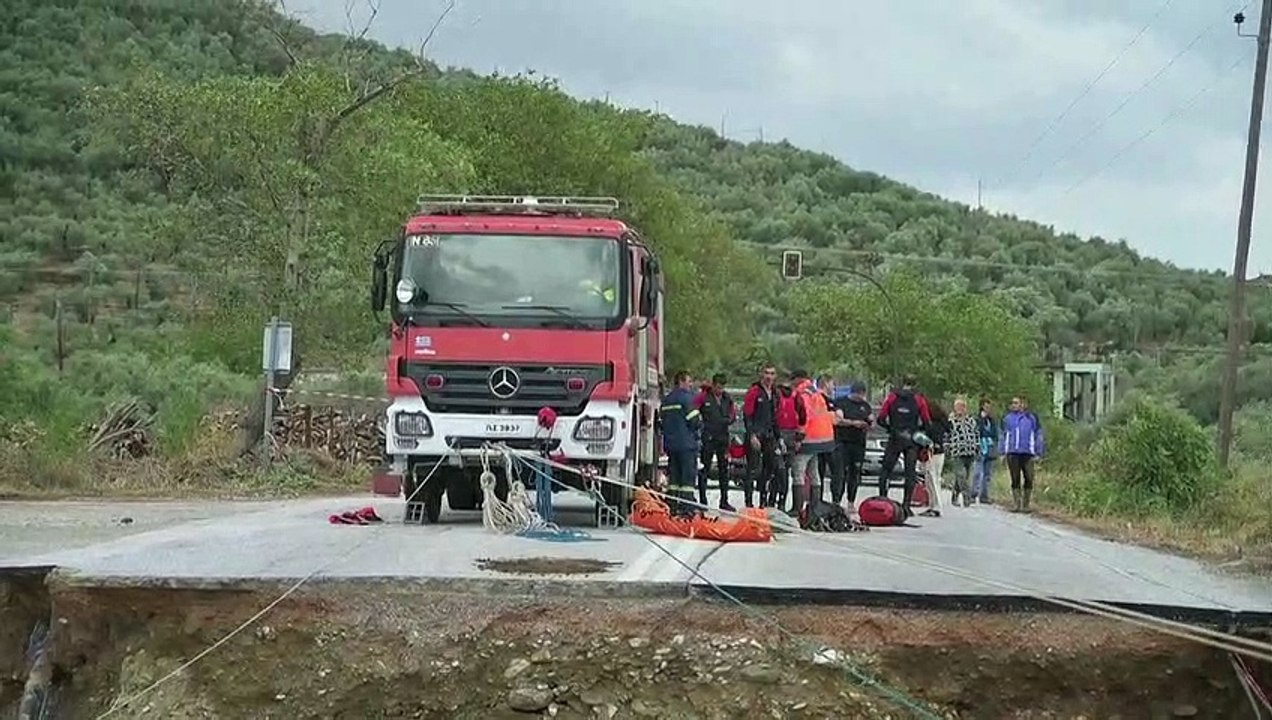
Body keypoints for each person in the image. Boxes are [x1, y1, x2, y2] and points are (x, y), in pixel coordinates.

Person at [788, 370, 838, 520]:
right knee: (813, 472)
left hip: (808, 438)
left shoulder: (803, 393)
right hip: (822, 438)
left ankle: (797, 508)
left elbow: (805, 415)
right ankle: (814, 507)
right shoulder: (815, 392)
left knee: (798, 472)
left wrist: (799, 436)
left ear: (797, 379)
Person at [876, 375, 932, 509]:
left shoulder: (892, 397)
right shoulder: (919, 399)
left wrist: (891, 428)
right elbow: (926, 421)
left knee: (886, 469)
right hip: (911, 440)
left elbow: (881, 418)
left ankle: (883, 499)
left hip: (895, 438)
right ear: (915, 384)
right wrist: (919, 432)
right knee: (910, 472)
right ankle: (906, 504)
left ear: (902, 383)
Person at [659, 371, 701, 516]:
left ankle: (671, 506)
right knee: (687, 478)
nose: (691, 385)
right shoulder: (687, 398)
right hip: (687, 445)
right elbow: (695, 421)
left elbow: (662, 422)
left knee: (674, 478)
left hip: (671, 445)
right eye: (689, 382)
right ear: (682, 382)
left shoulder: (666, 400)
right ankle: (686, 507)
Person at [694, 373, 736, 512]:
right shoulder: (703, 397)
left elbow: (732, 414)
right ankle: (703, 499)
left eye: (722, 387)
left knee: (724, 470)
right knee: (705, 468)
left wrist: (728, 420)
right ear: (713, 385)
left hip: (723, 437)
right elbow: (693, 410)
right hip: (709, 436)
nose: (720, 390)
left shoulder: (727, 398)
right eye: (718, 387)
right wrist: (700, 425)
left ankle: (724, 500)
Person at [742, 364, 781, 509]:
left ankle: (764, 501)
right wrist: (752, 435)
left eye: (772, 373)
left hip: (769, 435)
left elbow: (776, 417)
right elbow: (747, 415)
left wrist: (779, 438)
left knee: (771, 467)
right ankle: (749, 503)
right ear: (761, 374)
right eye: (766, 373)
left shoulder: (776, 393)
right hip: (756, 433)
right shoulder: (754, 391)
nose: (769, 376)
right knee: (752, 469)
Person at [1000, 396, 1044, 513]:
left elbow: (1038, 434)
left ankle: (1026, 504)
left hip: (1028, 452)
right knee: (1015, 478)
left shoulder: (1031, 418)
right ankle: (1016, 503)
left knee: (1029, 478)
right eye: (1012, 403)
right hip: (1013, 452)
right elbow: (1003, 435)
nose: (1014, 405)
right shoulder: (1007, 419)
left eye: (1016, 403)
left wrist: (1038, 451)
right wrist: (1002, 452)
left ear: (1023, 404)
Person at [770, 375, 807, 510]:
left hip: (780, 434)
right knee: (783, 470)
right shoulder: (795, 396)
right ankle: (780, 502)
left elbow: (802, 417)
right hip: (788, 434)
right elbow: (803, 418)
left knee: (778, 469)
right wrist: (799, 438)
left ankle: (775, 501)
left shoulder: (776, 394)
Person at [834, 381, 873, 506]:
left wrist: (869, 424)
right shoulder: (841, 402)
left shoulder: (865, 406)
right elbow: (838, 420)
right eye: (858, 395)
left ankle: (851, 502)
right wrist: (853, 423)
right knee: (841, 472)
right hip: (843, 442)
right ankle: (837, 500)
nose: (860, 398)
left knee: (855, 472)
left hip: (858, 443)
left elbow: (871, 419)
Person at [945, 396, 979, 508]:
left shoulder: (971, 420)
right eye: (958, 406)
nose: (960, 408)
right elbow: (947, 436)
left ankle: (954, 495)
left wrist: (977, 447)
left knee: (965, 476)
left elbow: (976, 434)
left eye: (962, 406)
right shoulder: (951, 421)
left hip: (970, 451)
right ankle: (967, 497)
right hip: (957, 451)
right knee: (961, 475)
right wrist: (947, 449)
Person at [922, 400, 950, 518]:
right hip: (940, 453)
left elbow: (931, 437)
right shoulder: (944, 423)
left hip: (933, 452)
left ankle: (937, 506)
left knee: (933, 479)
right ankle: (932, 505)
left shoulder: (933, 424)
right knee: (931, 479)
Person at [973, 398, 999, 505]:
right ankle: (974, 493)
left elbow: (995, 433)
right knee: (978, 472)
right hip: (980, 445)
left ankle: (985, 495)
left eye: (989, 407)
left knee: (988, 473)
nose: (988, 409)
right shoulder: (977, 419)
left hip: (990, 446)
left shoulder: (992, 420)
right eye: (986, 407)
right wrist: (982, 420)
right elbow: (977, 431)